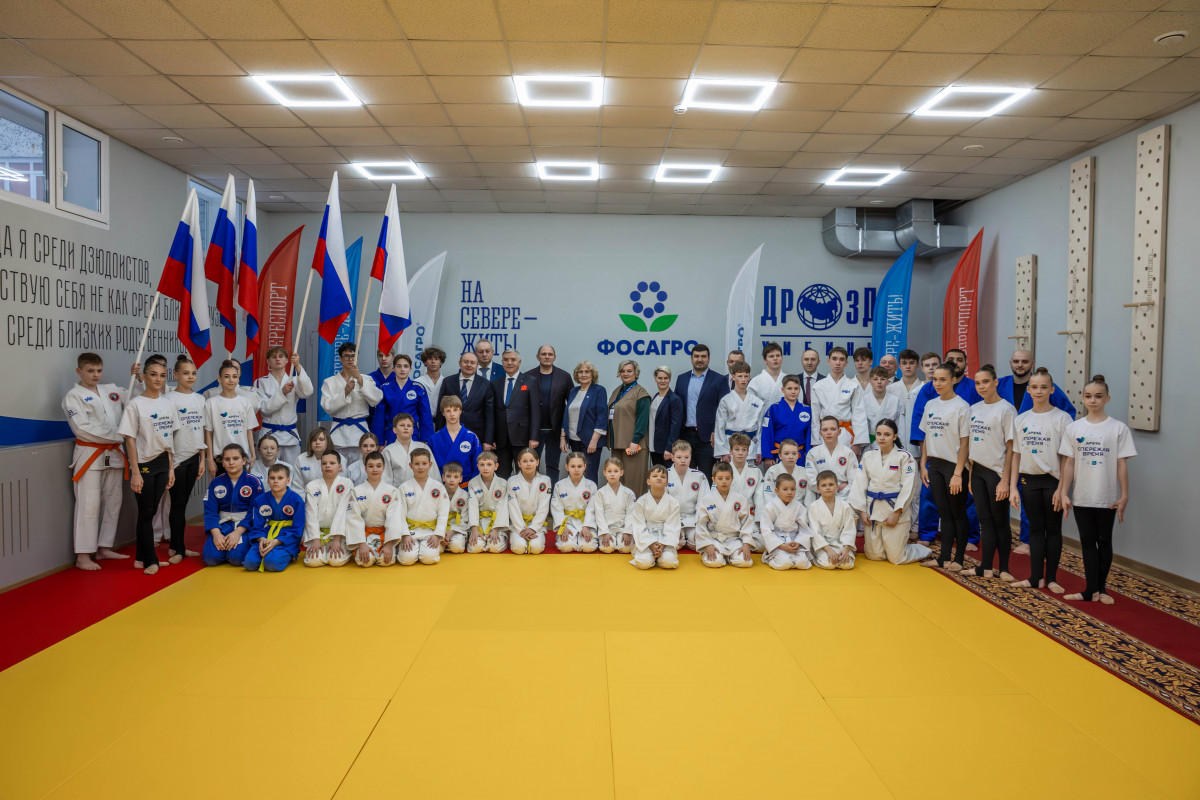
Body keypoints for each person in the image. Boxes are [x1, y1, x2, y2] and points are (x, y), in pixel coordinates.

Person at [1059, 375, 1137, 605]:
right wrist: (1063, 492)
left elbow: (1121, 464)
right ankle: (1090, 590)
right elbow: (1069, 463)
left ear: (1107, 399)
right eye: (1088, 396)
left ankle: (1101, 589)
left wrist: (1124, 495)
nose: (1093, 400)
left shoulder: (1118, 428)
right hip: (1082, 496)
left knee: (1104, 542)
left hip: (1107, 496)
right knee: (1086, 542)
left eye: (1098, 396)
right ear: (1083, 398)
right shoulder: (1074, 428)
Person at [995, 349, 1077, 554]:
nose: (1019, 364)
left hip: (1040, 453)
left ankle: (1028, 540)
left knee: (1034, 505)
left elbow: (1068, 414)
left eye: (1024, 361)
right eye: (1016, 361)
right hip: (1007, 448)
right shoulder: (1001, 384)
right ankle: (999, 535)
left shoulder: (1048, 387)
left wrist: (1055, 442)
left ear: (1032, 363)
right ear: (1010, 362)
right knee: (1002, 494)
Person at [909, 348, 982, 547]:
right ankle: (927, 534)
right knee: (929, 495)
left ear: (965, 364)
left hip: (963, 455)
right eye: (951, 359)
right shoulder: (929, 390)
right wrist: (924, 460)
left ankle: (970, 537)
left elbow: (979, 419)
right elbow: (922, 424)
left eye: (959, 360)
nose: (955, 362)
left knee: (966, 498)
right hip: (935, 454)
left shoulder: (973, 389)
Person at [64, 352, 130, 571]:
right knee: (88, 504)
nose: (95, 375)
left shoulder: (111, 390)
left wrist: (138, 378)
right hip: (90, 454)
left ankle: (104, 547)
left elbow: (136, 398)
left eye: (99, 370)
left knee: (113, 501)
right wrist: (120, 435)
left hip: (115, 454)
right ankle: (83, 555)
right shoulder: (73, 396)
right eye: (90, 371)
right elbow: (82, 429)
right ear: (79, 371)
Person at [1010, 368, 1072, 593]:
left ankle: (1052, 578)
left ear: (1052, 390)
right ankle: (1036, 577)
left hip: (1053, 482)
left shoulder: (1062, 418)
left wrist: (1062, 490)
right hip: (1029, 482)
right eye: (1034, 387)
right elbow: (1016, 455)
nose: (1039, 391)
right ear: (1028, 390)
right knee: (1035, 530)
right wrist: (1013, 487)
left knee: (1053, 530)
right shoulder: (1021, 419)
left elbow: (1066, 458)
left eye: (1044, 387)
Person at [118, 357, 178, 574]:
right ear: (143, 377)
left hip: (163, 462)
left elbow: (169, 439)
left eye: (162, 375)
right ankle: (151, 560)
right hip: (144, 464)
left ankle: (140, 559)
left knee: (151, 511)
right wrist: (135, 471)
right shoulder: (135, 405)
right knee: (146, 512)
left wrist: (171, 468)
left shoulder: (168, 403)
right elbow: (130, 439)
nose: (158, 379)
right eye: (153, 375)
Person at [849, 419, 931, 565]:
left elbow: (909, 487)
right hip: (873, 510)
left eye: (887, 434)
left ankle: (921, 549)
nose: (882, 438)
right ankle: (888, 546)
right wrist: (862, 511)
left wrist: (897, 513)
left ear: (894, 436)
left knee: (896, 558)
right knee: (874, 555)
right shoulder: (868, 456)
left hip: (895, 509)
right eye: (879, 434)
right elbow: (859, 484)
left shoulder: (905, 457)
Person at [965, 365, 1017, 580]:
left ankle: (1004, 568)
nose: (981, 386)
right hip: (977, 471)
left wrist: (1005, 480)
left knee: (1000, 521)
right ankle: (985, 567)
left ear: (996, 382)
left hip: (997, 473)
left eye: (985, 382)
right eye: (977, 383)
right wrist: (970, 476)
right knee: (984, 521)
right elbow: (972, 446)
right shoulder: (974, 409)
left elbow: (1012, 448)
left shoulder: (1006, 410)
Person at [919, 363, 972, 571]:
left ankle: (958, 559)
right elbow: (926, 437)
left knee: (958, 512)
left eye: (943, 379)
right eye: (935, 379)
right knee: (944, 513)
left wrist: (958, 473)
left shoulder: (962, 407)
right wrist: (924, 464)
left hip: (954, 466)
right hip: (935, 465)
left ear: (954, 380)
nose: (938, 383)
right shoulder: (931, 405)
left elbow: (965, 443)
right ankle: (943, 558)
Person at [322, 343, 384, 466]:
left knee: (361, 468)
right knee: (339, 469)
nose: (350, 359)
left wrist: (360, 380)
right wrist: (344, 392)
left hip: (359, 432)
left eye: (353, 356)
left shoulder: (366, 379)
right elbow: (327, 407)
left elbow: (376, 399)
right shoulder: (329, 382)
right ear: (340, 359)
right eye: (346, 356)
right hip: (339, 433)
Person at [201, 444, 263, 567]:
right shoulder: (216, 482)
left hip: (244, 526)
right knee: (210, 559)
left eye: (235, 458)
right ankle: (223, 548)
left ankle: (237, 547)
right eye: (227, 459)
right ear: (222, 463)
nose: (231, 462)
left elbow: (255, 510)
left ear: (244, 460)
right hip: (222, 525)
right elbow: (210, 511)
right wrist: (216, 534)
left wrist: (238, 532)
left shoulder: (254, 482)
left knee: (236, 558)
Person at [887, 349, 926, 534]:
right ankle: (897, 525)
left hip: (917, 445)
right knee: (896, 487)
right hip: (895, 445)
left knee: (916, 490)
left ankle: (915, 526)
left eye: (912, 363)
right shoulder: (891, 388)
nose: (908, 366)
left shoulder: (924, 387)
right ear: (899, 366)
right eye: (904, 363)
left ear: (917, 365)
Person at [242, 463, 306, 573]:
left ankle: (286, 555)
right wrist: (262, 540)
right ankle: (269, 551)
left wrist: (277, 541)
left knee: (271, 563)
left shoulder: (296, 500)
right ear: (267, 480)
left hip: (286, 538)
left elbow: (298, 528)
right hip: (267, 535)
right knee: (250, 563)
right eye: (272, 478)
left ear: (288, 480)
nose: (275, 481)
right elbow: (257, 525)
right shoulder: (260, 500)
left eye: (280, 478)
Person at [674, 344, 726, 479]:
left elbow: (724, 410)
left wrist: (717, 431)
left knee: (707, 476)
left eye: (703, 356)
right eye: (696, 356)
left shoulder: (719, 380)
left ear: (709, 359)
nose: (700, 359)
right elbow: (677, 408)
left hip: (708, 438)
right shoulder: (682, 379)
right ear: (691, 358)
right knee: (685, 476)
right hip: (685, 436)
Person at [255, 347, 312, 465]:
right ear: (268, 361)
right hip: (269, 435)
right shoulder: (260, 382)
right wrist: (282, 393)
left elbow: (307, 392)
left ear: (287, 360)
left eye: (281, 356)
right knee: (268, 471)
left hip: (290, 436)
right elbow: (264, 410)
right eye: (274, 357)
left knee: (291, 472)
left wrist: (298, 366)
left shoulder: (294, 380)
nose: (277, 359)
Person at [346, 451, 403, 567]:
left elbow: (394, 518)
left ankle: (387, 547)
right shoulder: (356, 491)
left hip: (385, 535)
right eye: (371, 466)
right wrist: (361, 544)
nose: (375, 469)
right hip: (364, 535)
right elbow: (353, 518)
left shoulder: (392, 491)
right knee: (365, 562)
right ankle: (363, 546)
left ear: (384, 468)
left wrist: (389, 544)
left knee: (385, 561)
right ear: (365, 468)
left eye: (378, 466)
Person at [528, 345, 574, 486]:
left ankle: (551, 494)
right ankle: (533, 494)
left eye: (550, 354)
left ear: (554, 357)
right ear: (538, 357)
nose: (547, 356)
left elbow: (571, 406)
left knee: (553, 465)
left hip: (555, 431)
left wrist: (565, 433)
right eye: (543, 354)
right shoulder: (528, 376)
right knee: (531, 465)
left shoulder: (564, 377)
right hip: (534, 431)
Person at [204, 359, 258, 478]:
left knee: (240, 489)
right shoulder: (211, 403)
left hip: (241, 458)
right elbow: (208, 432)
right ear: (219, 379)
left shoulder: (245, 402)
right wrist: (210, 459)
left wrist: (253, 455)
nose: (231, 380)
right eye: (226, 376)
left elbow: (249, 430)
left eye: (234, 376)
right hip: (220, 458)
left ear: (238, 379)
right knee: (221, 489)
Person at [303, 451, 357, 568]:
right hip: (318, 534)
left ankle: (342, 548)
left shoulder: (346, 484)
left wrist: (337, 540)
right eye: (324, 463)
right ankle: (319, 546)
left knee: (335, 561)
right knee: (313, 561)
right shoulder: (312, 486)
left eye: (332, 463)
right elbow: (310, 513)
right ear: (320, 466)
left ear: (340, 467)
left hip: (339, 534)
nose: (328, 466)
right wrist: (315, 539)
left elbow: (343, 511)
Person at [809, 347, 868, 453]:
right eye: (834, 359)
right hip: (825, 433)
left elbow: (859, 414)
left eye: (842, 359)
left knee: (846, 462)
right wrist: (815, 441)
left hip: (846, 433)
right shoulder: (818, 386)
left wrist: (857, 443)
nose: (838, 363)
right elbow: (815, 416)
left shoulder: (853, 386)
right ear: (829, 361)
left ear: (846, 363)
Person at [695, 461, 754, 568]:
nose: (724, 482)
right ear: (713, 479)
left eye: (727, 478)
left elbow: (746, 523)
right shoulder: (707, 499)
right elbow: (701, 524)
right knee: (714, 562)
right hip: (714, 539)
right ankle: (722, 556)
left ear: (732, 479)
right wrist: (707, 544)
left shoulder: (740, 499)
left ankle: (730, 556)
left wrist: (746, 543)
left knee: (745, 562)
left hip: (734, 540)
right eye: (720, 478)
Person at [492, 349, 539, 479]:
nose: (509, 362)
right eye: (506, 360)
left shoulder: (530, 381)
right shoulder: (496, 383)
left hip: (522, 438)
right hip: (501, 440)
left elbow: (535, 411)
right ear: (502, 362)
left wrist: (534, 437)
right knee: (501, 475)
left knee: (524, 474)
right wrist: (491, 438)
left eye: (513, 360)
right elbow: (492, 413)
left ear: (519, 362)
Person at [397, 448, 449, 565]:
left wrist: (437, 534)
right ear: (411, 465)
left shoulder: (438, 487)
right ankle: (412, 547)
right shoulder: (404, 487)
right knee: (407, 560)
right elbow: (400, 513)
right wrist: (405, 534)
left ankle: (436, 547)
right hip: (411, 531)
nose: (420, 467)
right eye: (417, 464)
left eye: (424, 464)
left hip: (431, 532)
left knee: (429, 558)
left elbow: (443, 513)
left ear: (430, 465)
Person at [608, 359, 652, 493]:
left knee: (634, 482)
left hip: (634, 445)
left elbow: (642, 420)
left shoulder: (641, 393)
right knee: (617, 482)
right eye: (622, 371)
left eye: (629, 371)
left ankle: (636, 506)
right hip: (617, 444)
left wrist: (635, 441)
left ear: (636, 373)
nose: (625, 374)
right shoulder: (617, 391)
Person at [560, 360, 608, 483]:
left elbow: (602, 416)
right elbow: (566, 415)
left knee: (589, 475)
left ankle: (590, 496)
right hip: (574, 440)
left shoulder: (599, 390)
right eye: (580, 372)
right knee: (576, 474)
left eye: (587, 371)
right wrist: (563, 437)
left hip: (590, 441)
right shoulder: (573, 391)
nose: (583, 374)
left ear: (592, 374)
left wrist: (594, 441)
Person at [436, 350, 495, 447]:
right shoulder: (448, 381)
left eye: (472, 363)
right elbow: (440, 410)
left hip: (476, 434)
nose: (469, 365)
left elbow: (489, 415)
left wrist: (488, 440)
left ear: (477, 365)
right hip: (450, 433)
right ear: (460, 363)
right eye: (466, 362)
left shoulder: (485, 384)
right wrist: (439, 434)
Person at [373, 353, 433, 446]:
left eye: (405, 366)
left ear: (410, 369)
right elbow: (379, 418)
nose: (402, 369)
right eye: (399, 366)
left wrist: (425, 439)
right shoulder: (385, 388)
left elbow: (425, 416)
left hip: (412, 434)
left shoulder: (418, 388)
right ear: (393, 369)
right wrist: (379, 442)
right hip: (391, 434)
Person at [629, 465, 682, 570]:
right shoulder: (641, 501)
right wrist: (651, 544)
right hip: (646, 538)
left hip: (665, 539)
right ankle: (653, 555)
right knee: (644, 563)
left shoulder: (673, 502)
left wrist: (663, 545)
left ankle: (660, 555)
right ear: (648, 481)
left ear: (667, 483)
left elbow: (673, 526)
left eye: (663, 477)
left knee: (669, 562)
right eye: (655, 476)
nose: (659, 478)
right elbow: (638, 525)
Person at [760, 473, 814, 570]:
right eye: (785, 489)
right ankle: (770, 558)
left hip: (794, 540)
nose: (789, 492)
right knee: (784, 563)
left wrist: (798, 542)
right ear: (777, 491)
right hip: (778, 542)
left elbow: (804, 529)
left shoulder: (799, 507)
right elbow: (766, 530)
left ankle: (791, 555)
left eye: (792, 489)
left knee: (803, 564)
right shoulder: (769, 507)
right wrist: (782, 546)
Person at [715, 362, 765, 462]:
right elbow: (720, 427)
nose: (743, 379)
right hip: (730, 445)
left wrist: (759, 450)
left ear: (749, 377)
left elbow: (760, 428)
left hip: (750, 446)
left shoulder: (757, 402)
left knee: (749, 471)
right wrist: (723, 451)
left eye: (746, 376)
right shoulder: (726, 400)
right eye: (740, 376)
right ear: (733, 377)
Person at [759, 375, 811, 469]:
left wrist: (809, 454)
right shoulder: (774, 408)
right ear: (783, 389)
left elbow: (809, 435)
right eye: (789, 388)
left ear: (800, 390)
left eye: (796, 388)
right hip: (779, 454)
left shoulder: (806, 410)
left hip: (799, 455)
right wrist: (768, 456)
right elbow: (767, 433)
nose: (793, 392)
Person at [809, 470, 857, 570]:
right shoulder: (814, 507)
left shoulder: (845, 506)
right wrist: (828, 550)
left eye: (831, 484)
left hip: (841, 545)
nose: (827, 488)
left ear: (837, 487)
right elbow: (815, 532)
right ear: (818, 488)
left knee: (847, 565)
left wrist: (846, 549)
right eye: (823, 485)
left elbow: (849, 529)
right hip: (823, 547)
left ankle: (844, 553)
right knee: (830, 564)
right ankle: (823, 555)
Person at [430, 396, 484, 485]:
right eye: (448, 411)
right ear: (443, 413)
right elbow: (430, 467)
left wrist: (473, 486)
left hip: (467, 486)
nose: (452, 414)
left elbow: (478, 465)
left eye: (455, 410)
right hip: (441, 486)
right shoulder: (434, 439)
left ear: (460, 411)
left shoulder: (471, 437)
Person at [507, 447, 551, 555]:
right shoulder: (512, 481)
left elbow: (543, 507)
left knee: (536, 548)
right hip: (518, 525)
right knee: (519, 548)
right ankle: (520, 534)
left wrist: (534, 528)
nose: (528, 464)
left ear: (537, 462)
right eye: (525, 461)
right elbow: (512, 508)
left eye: (531, 460)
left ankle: (534, 532)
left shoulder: (545, 481)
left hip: (537, 524)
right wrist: (521, 529)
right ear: (519, 463)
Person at [588, 458, 637, 554]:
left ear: (621, 472)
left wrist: (627, 532)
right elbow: (599, 514)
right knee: (607, 548)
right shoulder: (600, 493)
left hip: (623, 528)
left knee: (626, 548)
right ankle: (608, 538)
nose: (612, 474)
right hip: (607, 528)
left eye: (616, 471)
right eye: (609, 471)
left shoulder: (629, 493)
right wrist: (604, 532)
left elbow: (631, 514)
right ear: (604, 472)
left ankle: (622, 538)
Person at [666, 439, 708, 550]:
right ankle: (682, 539)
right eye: (679, 457)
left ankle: (690, 538)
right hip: (673, 519)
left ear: (691, 457)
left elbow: (703, 503)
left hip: (693, 519)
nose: (683, 461)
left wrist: (700, 525)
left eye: (686, 457)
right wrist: (671, 524)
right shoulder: (665, 475)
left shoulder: (699, 476)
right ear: (672, 457)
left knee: (698, 543)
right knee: (676, 543)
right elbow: (663, 504)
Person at [552, 452, 598, 553]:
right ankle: (570, 539)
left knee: (588, 547)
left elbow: (592, 509)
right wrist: (563, 527)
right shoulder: (559, 485)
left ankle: (580, 539)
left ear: (584, 467)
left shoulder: (591, 486)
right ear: (567, 467)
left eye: (579, 466)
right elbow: (557, 508)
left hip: (585, 521)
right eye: (572, 466)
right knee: (566, 547)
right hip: (567, 522)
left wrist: (586, 526)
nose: (576, 470)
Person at [806, 416, 859, 502]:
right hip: (820, 498)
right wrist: (837, 487)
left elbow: (854, 480)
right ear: (820, 433)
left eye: (833, 429)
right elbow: (811, 481)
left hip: (844, 498)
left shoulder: (848, 453)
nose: (829, 432)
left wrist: (840, 492)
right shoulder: (812, 453)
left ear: (839, 432)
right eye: (825, 430)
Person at [466, 451, 510, 554]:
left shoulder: (503, 484)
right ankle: (479, 537)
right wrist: (474, 529)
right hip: (479, 523)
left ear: (496, 466)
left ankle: (500, 538)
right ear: (478, 466)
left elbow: (503, 507)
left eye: (489, 464)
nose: (485, 468)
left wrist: (495, 529)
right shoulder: (472, 483)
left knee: (495, 547)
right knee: (475, 547)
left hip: (497, 523)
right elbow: (472, 507)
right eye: (482, 465)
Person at [727, 432, 765, 549]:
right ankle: (740, 543)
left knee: (763, 544)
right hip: (729, 515)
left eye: (744, 450)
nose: (740, 453)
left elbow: (759, 498)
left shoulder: (755, 472)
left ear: (748, 452)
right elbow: (716, 496)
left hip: (749, 517)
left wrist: (760, 521)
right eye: (737, 449)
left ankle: (740, 543)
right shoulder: (723, 470)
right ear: (731, 451)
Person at [382, 413, 438, 487]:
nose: (406, 428)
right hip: (397, 491)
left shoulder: (423, 448)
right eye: (402, 425)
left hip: (423, 490)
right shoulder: (388, 451)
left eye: (409, 426)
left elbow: (434, 474)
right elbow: (386, 480)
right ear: (395, 430)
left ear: (412, 430)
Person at [647, 366, 683, 468]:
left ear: (670, 379)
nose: (663, 381)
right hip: (654, 445)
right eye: (660, 378)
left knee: (667, 474)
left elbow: (676, 425)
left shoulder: (674, 399)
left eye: (666, 378)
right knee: (657, 473)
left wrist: (669, 448)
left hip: (665, 448)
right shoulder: (656, 396)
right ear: (655, 379)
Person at [762, 440, 809, 510]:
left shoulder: (804, 472)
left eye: (794, 453)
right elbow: (768, 495)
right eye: (786, 454)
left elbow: (809, 497)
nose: (791, 457)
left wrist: (806, 513)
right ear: (780, 456)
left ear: (798, 455)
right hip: (777, 511)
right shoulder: (772, 471)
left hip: (800, 512)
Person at [862, 367, 903, 445]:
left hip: (890, 443)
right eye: (875, 379)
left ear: (888, 381)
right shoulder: (863, 400)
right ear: (870, 381)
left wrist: (899, 444)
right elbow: (860, 425)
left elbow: (900, 426)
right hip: (869, 443)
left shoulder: (895, 401)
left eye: (883, 379)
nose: (879, 382)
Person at [293, 427, 330, 494]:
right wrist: (307, 499)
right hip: (307, 498)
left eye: (321, 439)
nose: (317, 442)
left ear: (328, 441)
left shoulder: (338, 459)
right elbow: (297, 487)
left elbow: (340, 485)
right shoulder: (301, 459)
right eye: (314, 440)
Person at [747, 342, 785, 406]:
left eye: (778, 356)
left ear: (782, 359)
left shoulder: (789, 380)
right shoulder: (756, 381)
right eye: (771, 356)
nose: (775, 358)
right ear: (765, 361)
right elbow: (750, 405)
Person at [442, 463, 470, 550]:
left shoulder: (464, 495)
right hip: (439, 528)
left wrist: (452, 531)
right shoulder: (438, 493)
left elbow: (465, 519)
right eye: (448, 476)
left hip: (457, 529)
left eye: (456, 477)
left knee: (457, 547)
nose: (452, 480)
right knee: (436, 548)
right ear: (443, 477)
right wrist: (439, 532)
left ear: (461, 478)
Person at [415, 345, 447, 418]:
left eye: (436, 359)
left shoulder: (446, 382)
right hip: (422, 419)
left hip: (442, 419)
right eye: (430, 359)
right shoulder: (417, 382)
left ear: (441, 362)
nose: (433, 362)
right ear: (425, 362)